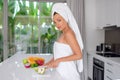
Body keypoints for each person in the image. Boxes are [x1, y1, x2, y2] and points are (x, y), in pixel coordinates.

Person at [44, 3, 84, 80]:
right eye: (55, 22)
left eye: (59, 20)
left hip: (69, 75)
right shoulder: (64, 33)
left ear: (65, 18)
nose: (57, 25)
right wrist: (47, 64)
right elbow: (59, 54)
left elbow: (79, 55)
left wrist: (58, 60)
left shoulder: (68, 33)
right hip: (62, 73)